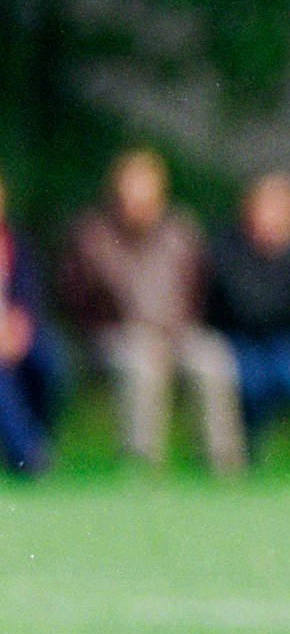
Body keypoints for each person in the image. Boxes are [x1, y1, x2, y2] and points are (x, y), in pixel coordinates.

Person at [59, 148, 244, 473]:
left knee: (213, 358)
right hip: (117, 336)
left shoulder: (181, 232)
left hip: (176, 333)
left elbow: (199, 291)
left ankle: (224, 466)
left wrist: (174, 331)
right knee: (142, 361)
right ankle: (142, 465)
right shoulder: (93, 235)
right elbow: (78, 300)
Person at [207, 173, 290, 464]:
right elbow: (244, 308)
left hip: (281, 344)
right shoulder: (226, 249)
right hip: (235, 340)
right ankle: (243, 453)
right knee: (250, 381)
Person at [0, 170, 64, 476]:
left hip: (13, 333)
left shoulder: (18, 244)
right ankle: (27, 456)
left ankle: (37, 442)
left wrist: (20, 326)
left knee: (51, 362)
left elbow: (30, 297)